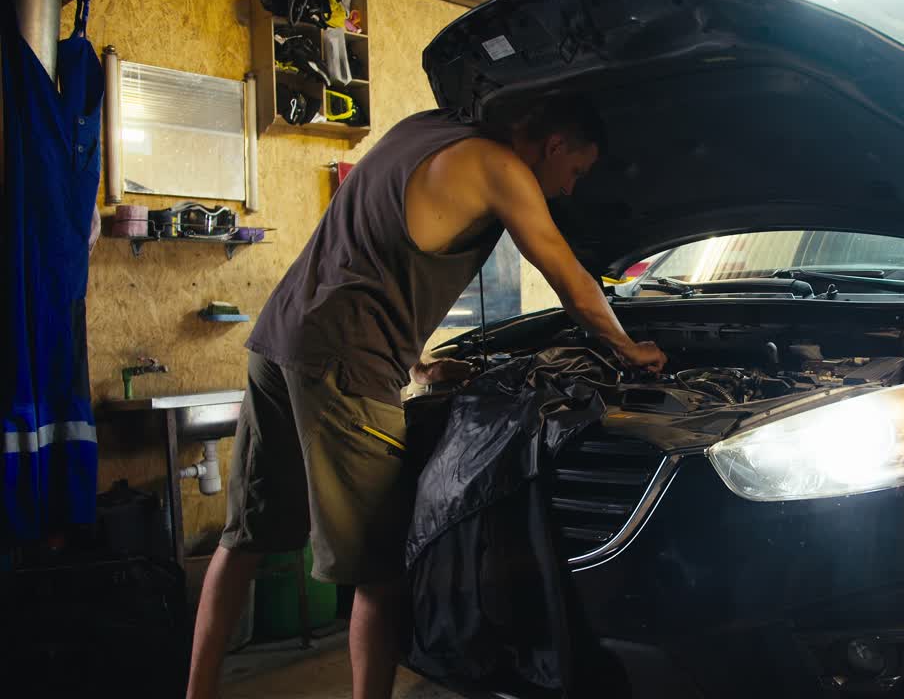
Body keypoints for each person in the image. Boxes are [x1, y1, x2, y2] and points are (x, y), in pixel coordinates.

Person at [186, 96, 667, 699]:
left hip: (280, 342)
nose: (569, 191)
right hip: (344, 368)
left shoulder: (421, 129)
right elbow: (569, 278)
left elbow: (369, 245)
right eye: (575, 172)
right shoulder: (501, 168)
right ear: (554, 145)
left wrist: (415, 359)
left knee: (244, 540)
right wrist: (630, 349)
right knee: (381, 573)